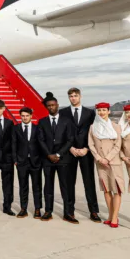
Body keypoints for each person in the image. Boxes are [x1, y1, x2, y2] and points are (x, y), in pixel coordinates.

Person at [60, 87, 100, 222]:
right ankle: (69, 212)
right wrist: (69, 147)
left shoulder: (90, 113)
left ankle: (94, 211)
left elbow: (95, 133)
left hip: (86, 152)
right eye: (71, 96)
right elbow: (61, 133)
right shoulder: (63, 112)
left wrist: (87, 148)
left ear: (80, 97)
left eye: (75, 96)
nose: (73, 98)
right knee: (68, 183)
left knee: (89, 182)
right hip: (69, 152)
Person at [38, 92, 77, 223]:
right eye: (49, 106)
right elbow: (40, 140)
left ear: (57, 105)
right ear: (46, 107)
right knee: (48, 186)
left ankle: (68, 213)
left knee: (65, 187)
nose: (51, 107)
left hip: (63, 159)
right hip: (47, 159)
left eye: (53, 105)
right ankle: (48, 211)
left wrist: (59, 154)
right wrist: (49, 154)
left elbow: (70, 140)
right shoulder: (42, 122)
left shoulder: (67, 121)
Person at [88, 102, 124, 228]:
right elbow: (91, 145)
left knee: (116, 190)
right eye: (99, 110)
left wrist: (107, 158)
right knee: (106, 189)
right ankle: (110, 215)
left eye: (104, 110)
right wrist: (99, 158)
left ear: (109, 111)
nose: (101, 112)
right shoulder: (93, 127)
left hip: (114, 162)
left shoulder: (116, 127)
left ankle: (115, 217)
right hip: (100, 163)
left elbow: (118, 145)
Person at [12, 107, 43, 219]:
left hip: (35, 162)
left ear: (31, 116)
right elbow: (14, 144)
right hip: (22, 162)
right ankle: (23, 209)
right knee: (23, 186)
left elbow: (41, 144)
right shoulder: (16, 128)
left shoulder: (37, 128)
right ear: (20, 117)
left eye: (27, 115)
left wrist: (40, 160)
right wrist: (15, 160)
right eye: (23, 116)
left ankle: (37, 209)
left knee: (37, 186)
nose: (25, 118)